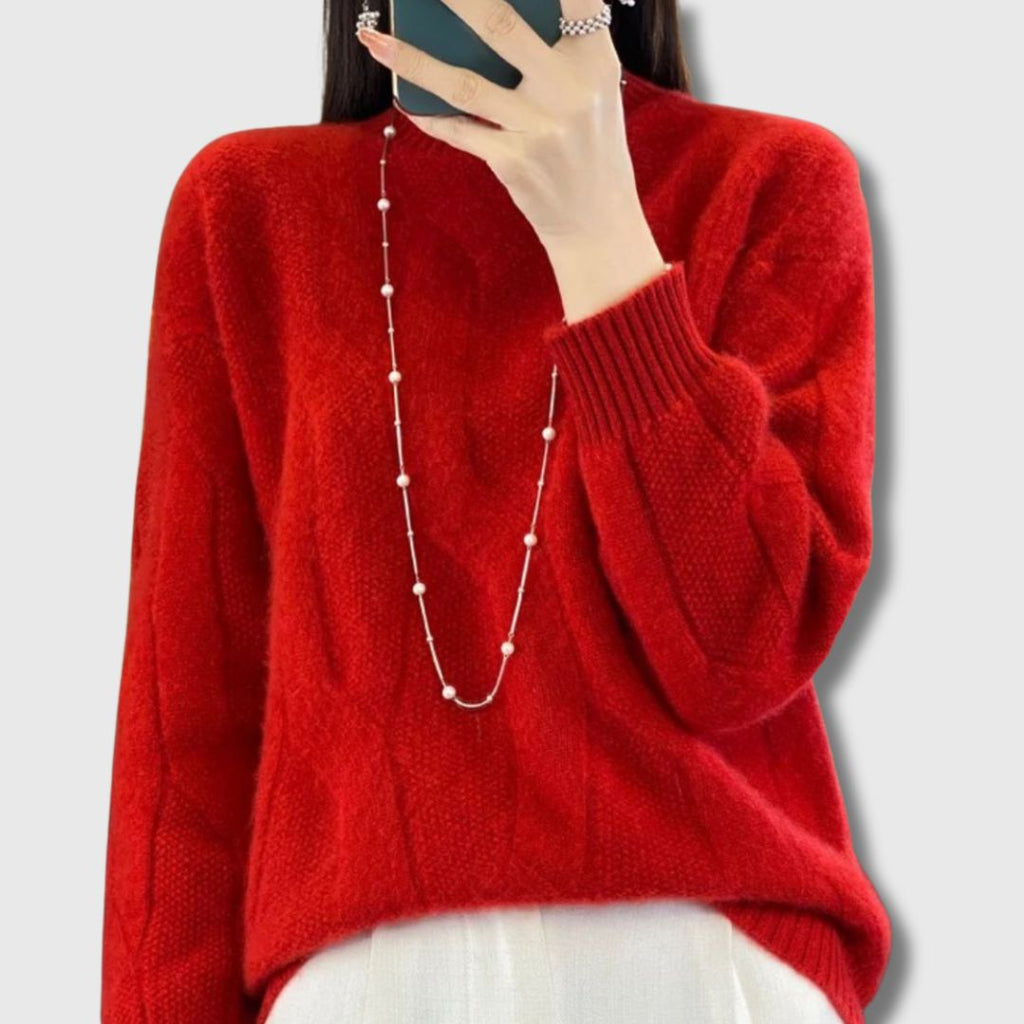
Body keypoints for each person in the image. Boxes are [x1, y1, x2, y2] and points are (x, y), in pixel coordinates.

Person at [100, 1, 892, 1022]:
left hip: (707, 965)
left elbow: (741, 650)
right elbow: (184, 728)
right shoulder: (249, 209)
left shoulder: (772, 179)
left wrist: (600, 234)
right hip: (365, 983)